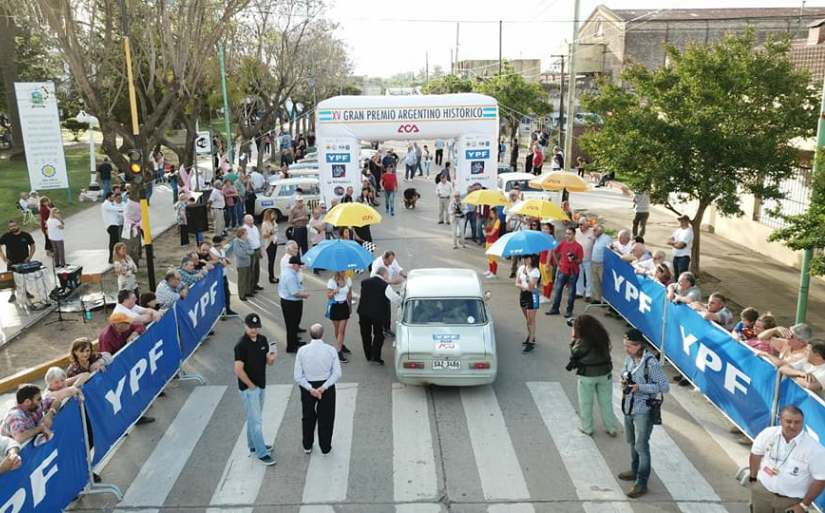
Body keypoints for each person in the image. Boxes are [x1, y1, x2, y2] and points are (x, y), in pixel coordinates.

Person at [618, 328, 670, 498]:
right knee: (631, 441)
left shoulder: (651, 363)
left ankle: (641, 482)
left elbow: (664, 387)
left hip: (644, 410)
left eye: (629, 347)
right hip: (629, 406)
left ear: (639, 345)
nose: (626, 350)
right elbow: (624, 371)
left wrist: (640, 387)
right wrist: (623, 379)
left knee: (641, 446)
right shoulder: (630, 358)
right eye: (625, 346)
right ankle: (634, 470)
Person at [747, 405, 825, 513]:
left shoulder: (814, 448)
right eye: (788, 421)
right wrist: (753, 478)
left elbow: (821, 479)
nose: (792, 426)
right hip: (762, 492)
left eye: (797, 422)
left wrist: (803, 505)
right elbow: (756, 453)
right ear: (780, 420)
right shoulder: (768, 433)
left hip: (790, 502)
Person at [234, 313, 278, 466]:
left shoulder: (262, 339)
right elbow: (238, 370)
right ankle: (261, 453)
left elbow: (268, 362)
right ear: (245, 326)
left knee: (253, 418)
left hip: (261, 384)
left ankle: (253, 445)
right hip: (249, 389)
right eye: (251, 327)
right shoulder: (241, 345)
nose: (253, 330)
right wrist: (251, 386)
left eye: (256, 327)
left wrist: (271, 359)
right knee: (256, 421)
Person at [294, 323, 342, 455]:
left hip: (307, 386)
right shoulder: (330, 350)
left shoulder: (302, 351)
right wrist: (323, 388)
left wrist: (311, 389)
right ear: (323, 335)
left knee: (308, 416)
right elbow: (337, 373)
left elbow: (298, 376)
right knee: (326, 417)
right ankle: (325, 447)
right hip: (326, 386)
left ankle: (307, 445)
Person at [569, 314, 619, 437]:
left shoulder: (582, 342)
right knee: (606, 402)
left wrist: (573, 342)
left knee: (586, 402)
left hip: (587, 376)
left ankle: (587, 428)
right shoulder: (602, 337)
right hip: (605, 373)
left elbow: (575, 354)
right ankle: (611, 427)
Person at [358, 267, 401, 365]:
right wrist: (401, 298)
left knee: (365, 334)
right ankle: (376, 356)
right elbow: (395, 299)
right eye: (387, 275)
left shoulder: (365, 282)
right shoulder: (385, 285)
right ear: (384, 275)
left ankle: (368, 355)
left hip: (363, 313)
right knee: (378, 334)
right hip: (377, 315)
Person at [547, 227, 584, 318]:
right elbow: (554, 252)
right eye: (566, 233)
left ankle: (569, 310)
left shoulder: (578, 247)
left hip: (573, 272)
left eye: (569, 234)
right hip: (562, 270)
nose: (567, 236)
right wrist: (557, 263)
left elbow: (580, 261)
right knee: (558, 290)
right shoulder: (563, 243)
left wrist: (574, 259)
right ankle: (555, 308)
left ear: (574, 235)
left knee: (571, 292)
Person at [0, 220, 36, 303]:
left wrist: (29, 257)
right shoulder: (6, 236)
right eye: (10, 227)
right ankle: (12, 294)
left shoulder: (26, 235)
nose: (12, 228)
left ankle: (26, 292)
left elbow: (32, 245)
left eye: (14, 226)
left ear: (18, 225)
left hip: (24, 261)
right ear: (9, 228)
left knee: (24, 277)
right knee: (11, 279)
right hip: (11, 262)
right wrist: (4, 258)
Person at [279, 255, 310, 353]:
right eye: (299, 265)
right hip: (290, 303)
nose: (300, 267)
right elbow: (295, 293)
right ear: (294, 265)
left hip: (291, 302)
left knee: (294, 324)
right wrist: (305, 295)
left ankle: (294, 341)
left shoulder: (289, 271)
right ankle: (291, 347)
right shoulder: (290, 276)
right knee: (291, 325)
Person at [515, 255, 541, 352]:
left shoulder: (535, 271)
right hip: (523, 295)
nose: (525, 260)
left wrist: (525, 279)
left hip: (533, 296)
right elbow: (516, 283)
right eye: (524, 258)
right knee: (527, 319)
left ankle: (531, 341)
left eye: (527, 258)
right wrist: (523, 285)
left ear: (532, 259)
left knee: (531, 320)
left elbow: (531, 287)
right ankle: (531, 335)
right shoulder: (521, 268)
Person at [327, 271, 353, 363]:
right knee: (337, 330)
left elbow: (349, 294)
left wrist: (350, 306)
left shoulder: (348, 280)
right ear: (337, 271)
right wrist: (335, 290)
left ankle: (338, 351)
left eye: (344, 270)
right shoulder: (332, 281)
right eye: (342, 271)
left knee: (341, 330)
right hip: (335, 306)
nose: (344, 272)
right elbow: (329, 296)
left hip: (344, 306)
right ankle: (340, 345)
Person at [590, 225, 612, 305]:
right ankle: (597, 298)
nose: (594, 231)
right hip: (594, 262)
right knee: (595, 281)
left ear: (601, 230)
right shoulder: (596, 238)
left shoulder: (606, 239)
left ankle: (606, 300)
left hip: (602, 264)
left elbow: (610, 251)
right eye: (593, 230)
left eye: (595, 230)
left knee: (603, 282)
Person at [242, 215, 264, 292]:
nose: (252, 221)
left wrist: (260, 249)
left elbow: (258, 239)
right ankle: (250, 287)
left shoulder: (254, 227)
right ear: (245, 221)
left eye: (252, 219)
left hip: (257, 249)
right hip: (251, 251)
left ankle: (255, 284)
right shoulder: (244, 229)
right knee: (251, 270)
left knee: (256, 269)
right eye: (250, 220)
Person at [575, 220, 595, 302]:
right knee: (579, 276)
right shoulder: (576, 231)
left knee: (589, 277)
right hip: (578, 258)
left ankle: (588, 294)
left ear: (587, 225)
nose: (580, 226)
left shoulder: (592, 232)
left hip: (588, 258)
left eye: (582, 225)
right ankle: (579, 292)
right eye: (579, 224)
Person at [102, 192, 125, 263]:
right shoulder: (106, 204)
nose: (113, 198)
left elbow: (118, 213)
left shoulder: (110, 204)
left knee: (116, 242)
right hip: (111, 226)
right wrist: (125, 208)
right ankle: (111, 258)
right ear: (109, 197)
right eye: (112, 197)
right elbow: (116, 209)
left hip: (115, 225)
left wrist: (125, 214)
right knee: (113, 243)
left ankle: (116, 257)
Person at [261, 209, 279, 284]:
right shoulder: (265, 224)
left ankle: (273, 276)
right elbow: (264, 235)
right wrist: (271, 233)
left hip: (274, 242)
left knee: (273, 260)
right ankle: (271, 277)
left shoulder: (274, 222)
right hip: (269, 243)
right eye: (272, 214)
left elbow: (276, 230)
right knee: (270, 261)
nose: (273, 215)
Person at [483, 209, 501, 279]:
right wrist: (484, 230)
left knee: (494, 258)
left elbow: (493, 233)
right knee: (489, 257)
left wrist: (486, 233)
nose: (490, 214)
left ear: (495, 213)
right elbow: (487, 229)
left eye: (492, 213)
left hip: (494, 242)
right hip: (488, 241)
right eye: (490, 213)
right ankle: (490, 270)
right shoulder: (489, 220)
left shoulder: (497, 221)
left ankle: (494, 273)